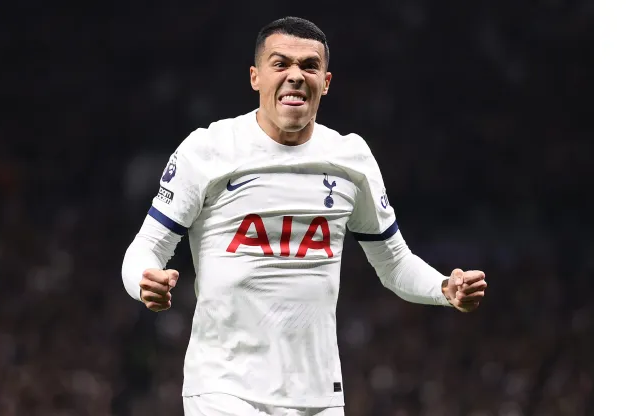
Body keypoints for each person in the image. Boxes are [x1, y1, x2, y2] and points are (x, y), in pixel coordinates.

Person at [122, 16, 487, 416]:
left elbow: (395, 264)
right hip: (223, 388)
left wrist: (443, 288)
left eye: (308, 66)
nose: (295, 76)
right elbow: (146, 247)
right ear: (255, 77)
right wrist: (144, 281)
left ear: (325, 82)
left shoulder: (351, 159)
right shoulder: (207, 149)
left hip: (318, 396)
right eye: (280, 64)